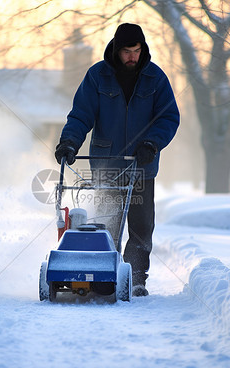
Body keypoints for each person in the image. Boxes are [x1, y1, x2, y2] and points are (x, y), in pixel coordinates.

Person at [54, 23, 180, 297]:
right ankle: (104, 274)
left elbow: (169, 117)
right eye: (126, 51)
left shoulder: (155, 78)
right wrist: (69, 142)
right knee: (109, 224)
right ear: (116, 49)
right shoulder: (97, 76)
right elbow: (81, 115)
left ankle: (136, 278)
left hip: (142, 166)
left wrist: (152, 143)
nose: (132, 57)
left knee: (141, 225)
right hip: (106, 164)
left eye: (136, 51)